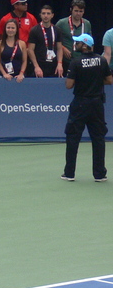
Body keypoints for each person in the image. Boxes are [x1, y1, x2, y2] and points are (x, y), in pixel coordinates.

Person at [61, 33, 110, 183]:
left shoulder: (75, 62)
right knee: (98, 138)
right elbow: (109, 80)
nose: (74, 45)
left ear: (84, 45)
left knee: (73, 137)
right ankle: (100, 174)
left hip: (80, 104)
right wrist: (95, 82)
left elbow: (69, 85)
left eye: (77, 42)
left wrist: (81, 80)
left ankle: (69, 173)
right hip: (97, 104)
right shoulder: (101, 61)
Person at [27, 5, 63, 78]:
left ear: (52, 15)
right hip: (39, 66)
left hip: (54, 66)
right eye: (43, 13)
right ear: (40, 15)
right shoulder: (34, 30)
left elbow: (59, 48)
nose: (46, 16)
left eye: (48, 13)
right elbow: (30, 50)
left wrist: (59, 64)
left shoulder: (57, 30)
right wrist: (36, 66)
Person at [55, 0, 92, 66]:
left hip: (82, 61)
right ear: (71, 10)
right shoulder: (61, 23)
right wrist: (62, 48)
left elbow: (90, 42)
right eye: (76, 11)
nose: (78, 13)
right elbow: (54, 39)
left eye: (81, 11)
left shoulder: (87, 24)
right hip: (66, 61)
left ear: (84, 11)